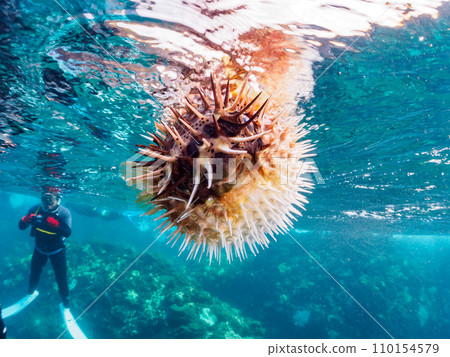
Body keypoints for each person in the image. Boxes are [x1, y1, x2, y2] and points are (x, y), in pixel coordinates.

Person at [19, 187, 72, 309]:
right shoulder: (35, 209)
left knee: (61, 278)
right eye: (44, 199)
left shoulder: (64, 212)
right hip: (39, 249)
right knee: (34, 273)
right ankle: (30, 293)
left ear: (58, 199)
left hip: (57, 251)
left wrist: (57, 226)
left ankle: (66, 303)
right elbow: (21, 227)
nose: (47, 204)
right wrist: (24, 220)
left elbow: (68, 232)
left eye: (50, 200)